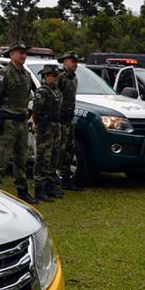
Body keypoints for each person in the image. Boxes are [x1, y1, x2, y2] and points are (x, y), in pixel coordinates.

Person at [0, 42, 35, 203]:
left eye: (24, 53)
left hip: (21, 122)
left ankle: (22, 191)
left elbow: (27, 97)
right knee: (1, 159)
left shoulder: (26, 75)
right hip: (8, 121)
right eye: (19, 52)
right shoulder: (4, 73)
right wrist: (1, 115)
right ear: (11, 54)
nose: (23, 55)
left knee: (21, 159)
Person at [31, 65, 62, 202]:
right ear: (46, 76)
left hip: (55, 126)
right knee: (43, 157)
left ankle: (50, 186)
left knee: (53, 156)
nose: (55, 78)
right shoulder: (42, 91)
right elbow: (36, 112)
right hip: (45, 127)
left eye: (56, 75)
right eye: (53, 75)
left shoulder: (56, 90)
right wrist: (40, 125)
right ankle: (39, 188)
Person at [56, 51, 82, 191]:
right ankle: (54, 179)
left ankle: (66, 180)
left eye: (76, 62)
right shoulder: (60, 77)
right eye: (72, 61)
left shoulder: (74, 79)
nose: (75, 64)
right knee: (58, 149)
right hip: (60, 119)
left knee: (69, 150)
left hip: (69, 119)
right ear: (64, 62)